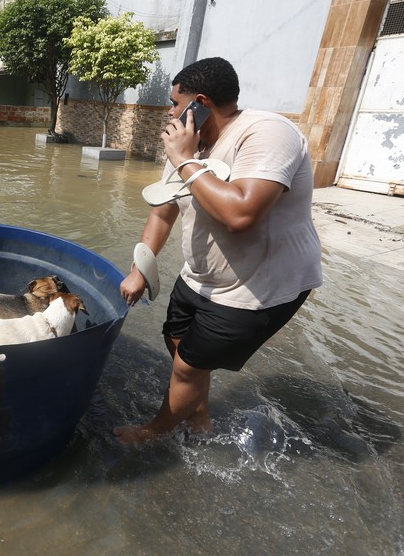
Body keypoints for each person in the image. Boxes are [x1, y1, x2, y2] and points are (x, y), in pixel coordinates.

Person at [114, 57, 323, 444]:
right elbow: (163, 211)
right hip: (201, 276)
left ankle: (155, 431)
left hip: (257, 288)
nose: (171, 112)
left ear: (201, 103)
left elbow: (240, 214)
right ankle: (199, 417)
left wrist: (183, 159)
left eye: (176, 103)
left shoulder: (267, 134)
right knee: (177, 344)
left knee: (188, 367)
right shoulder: (190, 146)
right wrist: (139, 268)